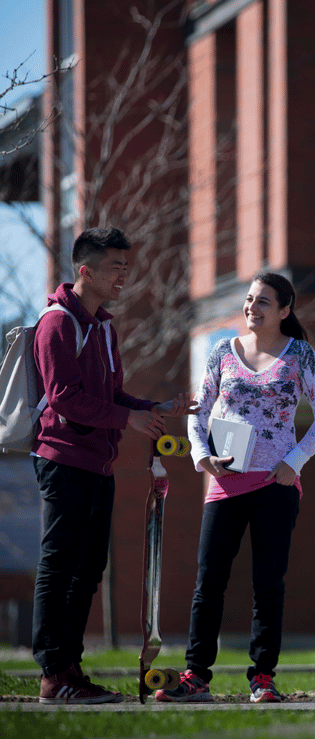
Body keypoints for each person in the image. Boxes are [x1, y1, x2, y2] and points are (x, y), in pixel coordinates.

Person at [33, 227, 197, 704]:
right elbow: (64, 398)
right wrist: (130, 416)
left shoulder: (103, 326)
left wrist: (156, 406)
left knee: (87, 571)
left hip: (98, 465)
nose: (124, 275)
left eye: (127, 266)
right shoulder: (57, 323)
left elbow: (111, 397)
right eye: (114, 267)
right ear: (85, 270)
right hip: (62, 459)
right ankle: (52, 676)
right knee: (59, 567)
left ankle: (71, 670)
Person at [155, 271, 315, 704]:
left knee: (268, 583)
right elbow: (198, 416)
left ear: (284, 311)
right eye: (250, 299)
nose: (251, 307)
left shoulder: (301, 357)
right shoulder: (222, 351)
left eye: (263, 302)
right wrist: (202, 459)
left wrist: (294, 463)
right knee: (209, 582)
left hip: (276, 484)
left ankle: (263, 677)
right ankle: (195, 675)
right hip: (226, 483)